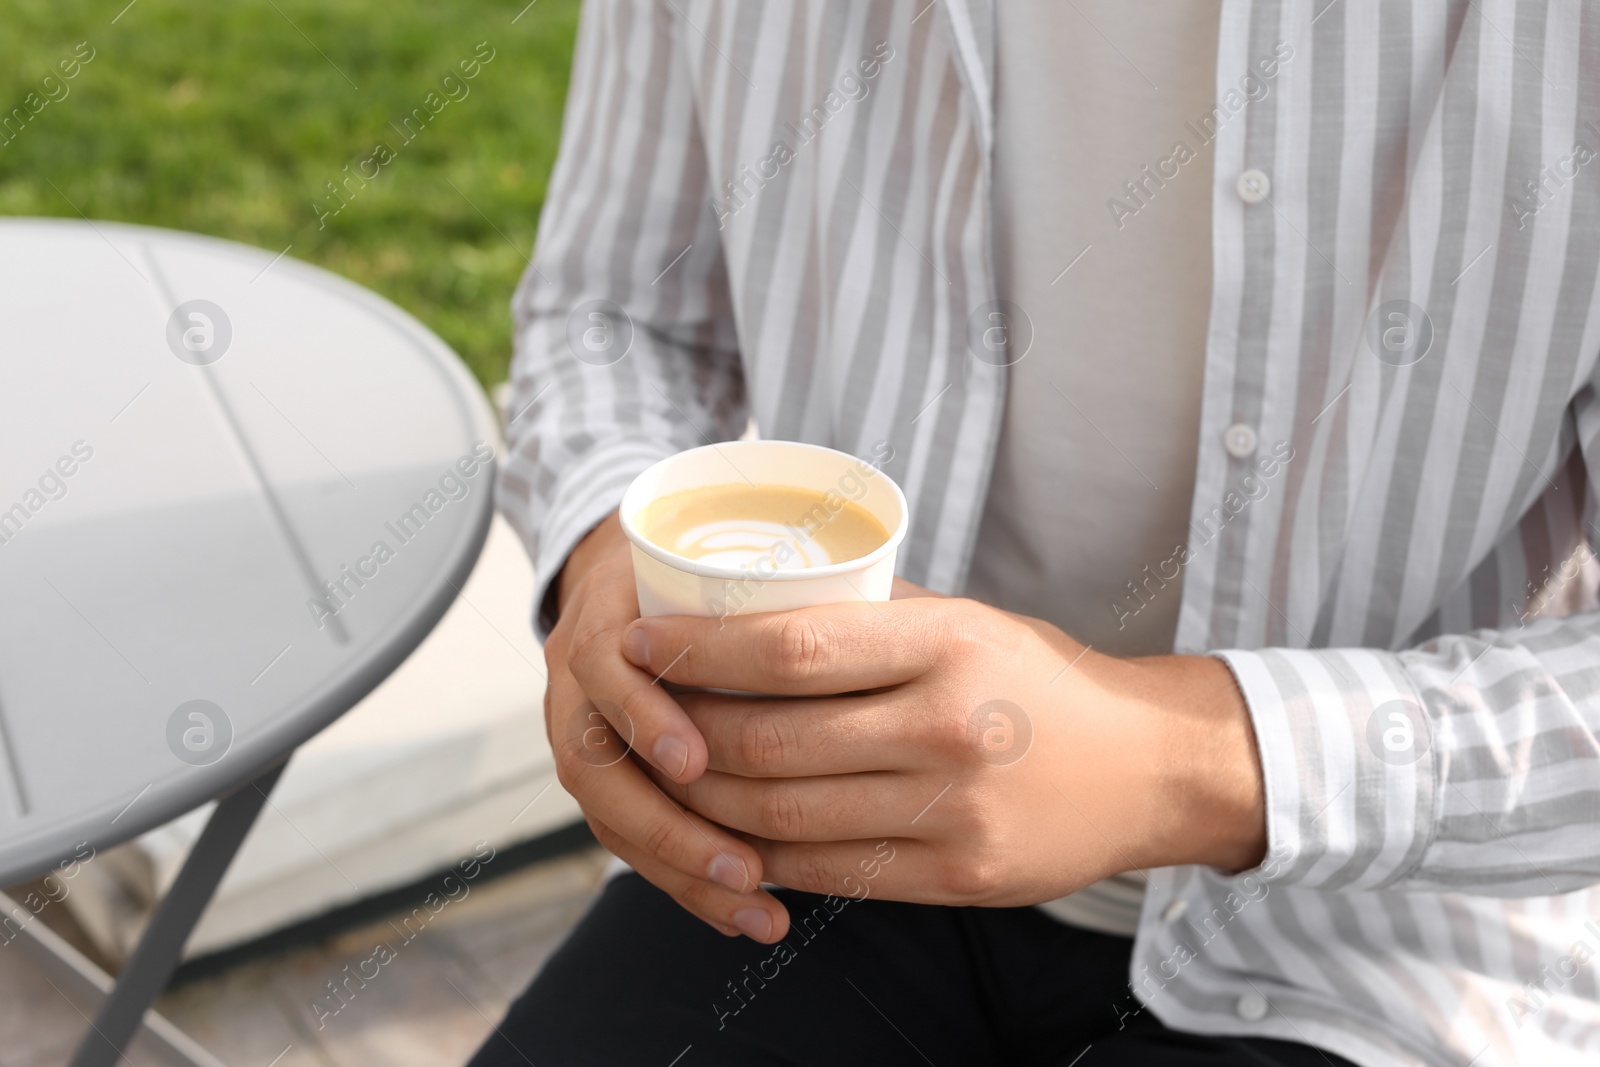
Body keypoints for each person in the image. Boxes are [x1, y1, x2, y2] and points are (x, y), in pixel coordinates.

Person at [473, 2, 1600, 1064]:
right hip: (828, 828)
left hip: (1387, 929)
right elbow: (614, 316)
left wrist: (1184, 761)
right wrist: (608, 552)